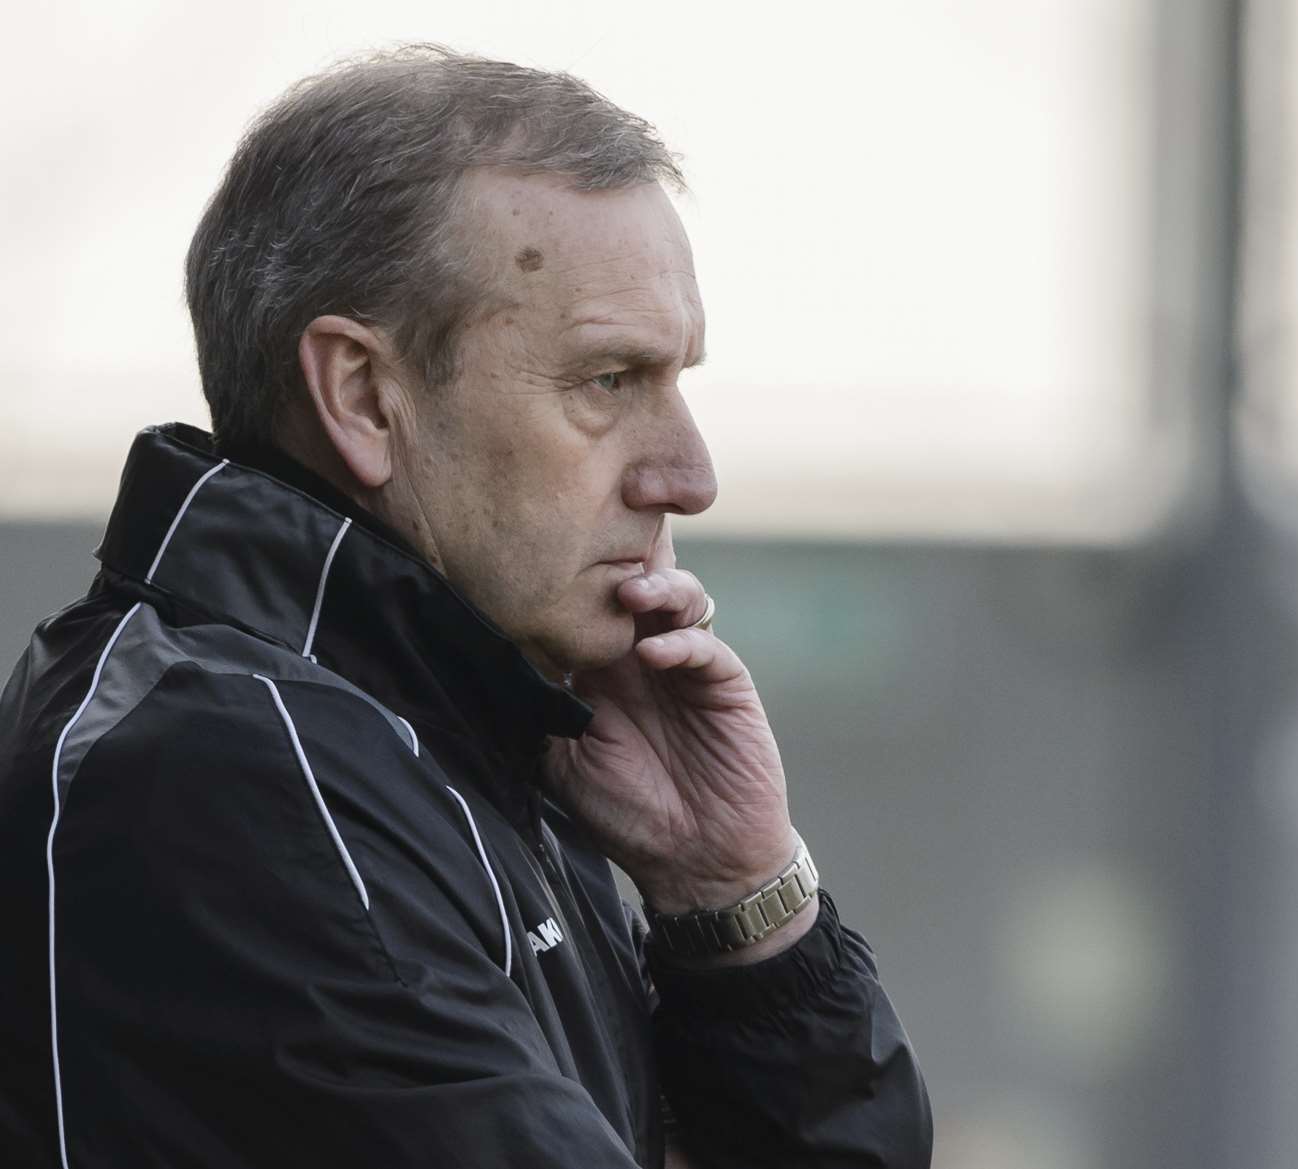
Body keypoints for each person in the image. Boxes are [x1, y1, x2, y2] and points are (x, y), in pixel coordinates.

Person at [0, 46, 932, 1168]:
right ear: (362, 396)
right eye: (608, 381)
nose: (687, 474)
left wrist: (734, 897)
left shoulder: (467, 738)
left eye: (677, 380)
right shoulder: (235, 766)